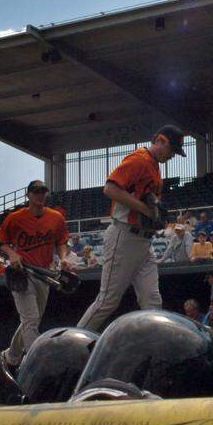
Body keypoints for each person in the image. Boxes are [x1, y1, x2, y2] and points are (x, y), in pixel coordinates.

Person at [76, 125, 186, 332]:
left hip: (144, 242)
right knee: (107, 301)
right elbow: (110, 188)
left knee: (152, 301)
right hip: (125, 236)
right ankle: (71, 348)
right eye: (172, 150)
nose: (172, 156)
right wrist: (145, 209)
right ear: (161, 140)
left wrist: (153, 214)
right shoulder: (139, 159)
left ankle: (155, 352)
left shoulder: (153, 164)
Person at [0, 179, 76, 368]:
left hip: (45, 273)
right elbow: (2, 243)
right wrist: (12, 253)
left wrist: (64, 257)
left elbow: (61, 242)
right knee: (31, 319)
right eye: (36, 192)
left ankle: (11, 357)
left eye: (43, 191)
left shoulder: (55, 217)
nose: (40, 195)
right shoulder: (15, 218)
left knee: (32, 320)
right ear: (28, 195)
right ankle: (36, 363)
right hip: (22, 273)